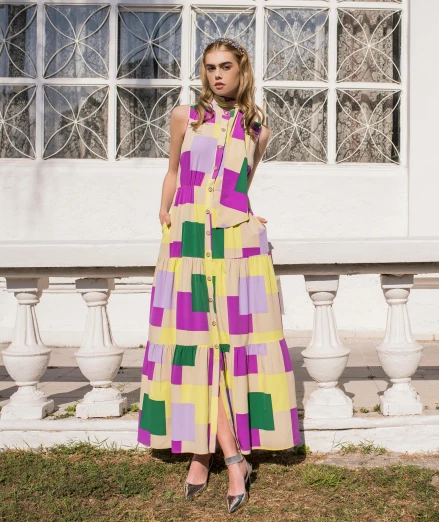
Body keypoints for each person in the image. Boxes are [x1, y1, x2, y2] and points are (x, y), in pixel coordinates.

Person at [136, 37, 300, 514]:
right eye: (209, 68)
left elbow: (240, 185)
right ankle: (226, 458)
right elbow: (173, 172)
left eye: (225, 67)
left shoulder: (257, 127)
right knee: (193, 344)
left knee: (230, 346)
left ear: (242, 70)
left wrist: (251, 215)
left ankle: (207, 456)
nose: (216, 76)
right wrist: (164, 214)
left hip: (234, 243)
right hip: (187, 240)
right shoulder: (185, 116)